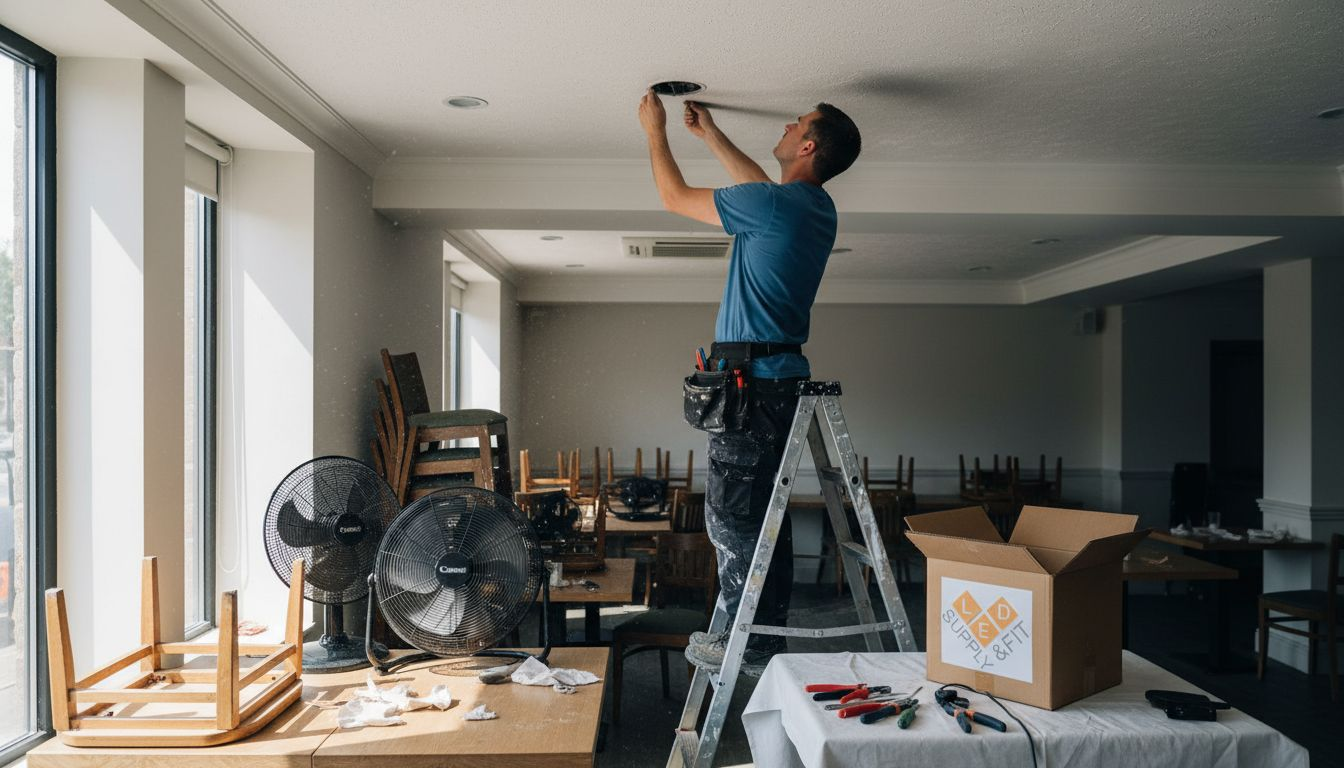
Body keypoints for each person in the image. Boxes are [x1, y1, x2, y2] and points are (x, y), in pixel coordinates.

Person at [637, 89, 862, 673]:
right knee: (764, 517)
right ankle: (762, 634)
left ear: (807, 146)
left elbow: (673, 197)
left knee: (733, 517)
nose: (787, 124)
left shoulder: (774, 206)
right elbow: (761, 186)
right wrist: (711, 135)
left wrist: (655, 130)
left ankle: (747, 640)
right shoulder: (813, 208)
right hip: (776, 381)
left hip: (752, 386)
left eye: (797, 124)